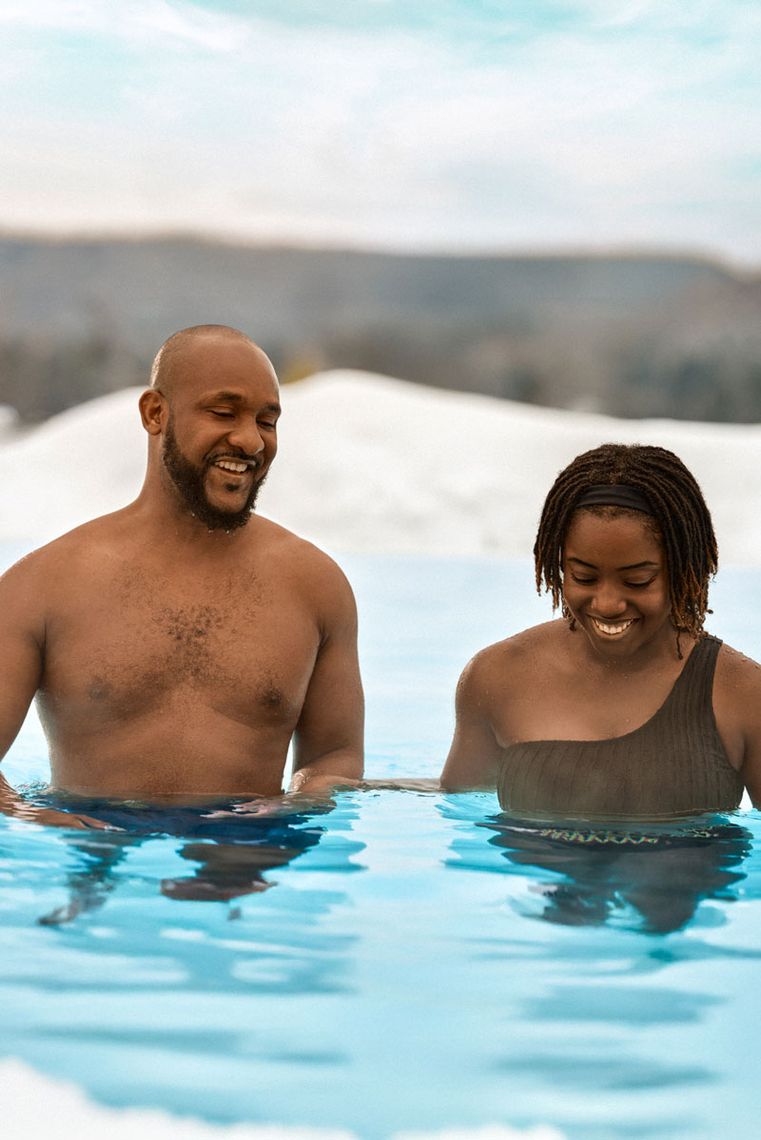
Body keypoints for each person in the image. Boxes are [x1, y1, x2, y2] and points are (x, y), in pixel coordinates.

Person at [0, 324, 364, 829]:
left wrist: (294, 807)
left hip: (247, 845)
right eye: (223, 413)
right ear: (155, 413)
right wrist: (32, 816)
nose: (250, 440)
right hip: (98, 842)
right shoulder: (43, 585)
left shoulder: (316, 586)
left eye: (267, 421)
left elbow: (334, 758)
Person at [441, 443, 761, 819]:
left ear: (683, 569)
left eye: (638, 580)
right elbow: (462, 816)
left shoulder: (742, 695)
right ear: (559, 566)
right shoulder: (496, 678)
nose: (607, 604)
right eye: (584, 577)